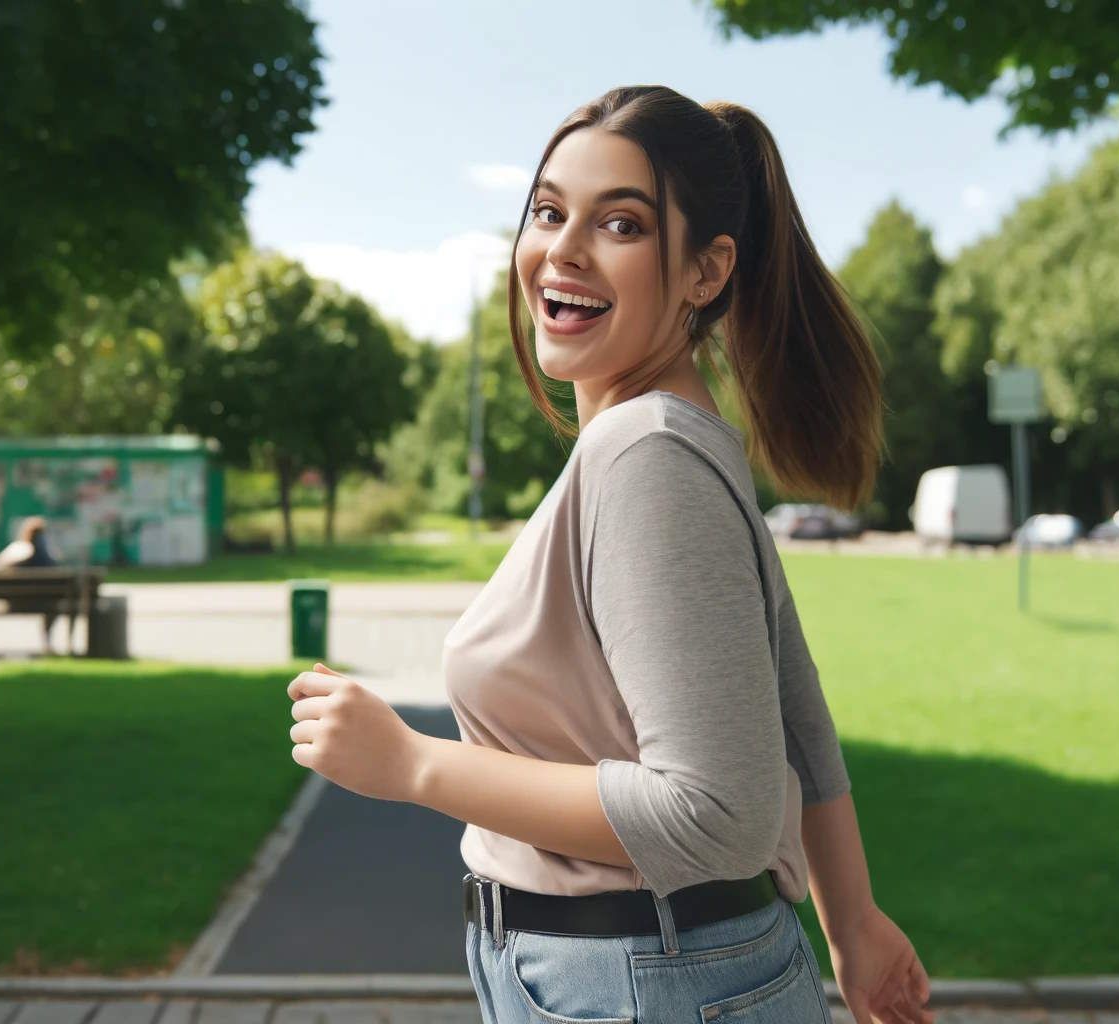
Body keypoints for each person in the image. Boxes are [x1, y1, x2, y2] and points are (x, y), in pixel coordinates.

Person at [283, 86, 932, 1024]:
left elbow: (717, 811)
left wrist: (411, 765)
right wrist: (854, 918)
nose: (564, 249)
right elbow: (798, 713)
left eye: (620, 223)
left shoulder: (648, 455)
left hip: (643, 982)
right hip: (648, 976)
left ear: (706, 273)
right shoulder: (667, 442)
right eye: (549, 211)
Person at [0, 515, 63, 655]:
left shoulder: (18, 550)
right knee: (52, 601)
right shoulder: (47, 557)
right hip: (45, 603)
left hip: (17, 602)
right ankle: (47, 641)